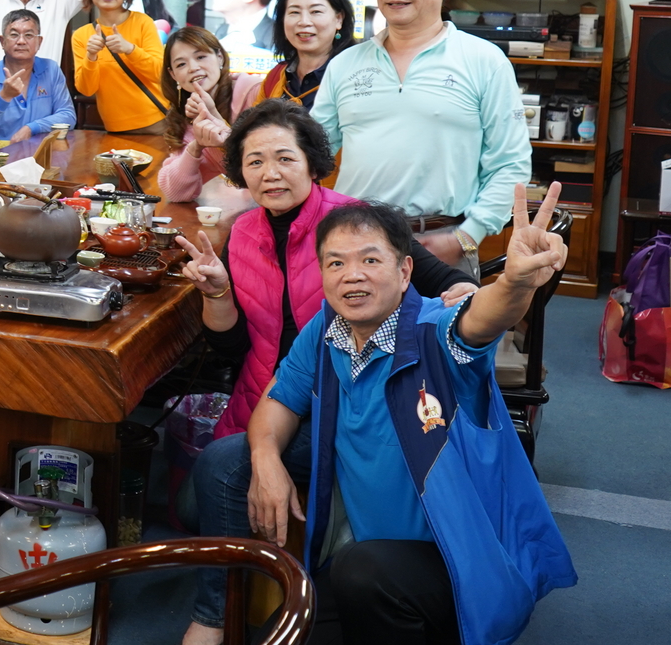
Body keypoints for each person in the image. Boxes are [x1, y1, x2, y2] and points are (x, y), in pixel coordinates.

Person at [173, 100, 478, 645]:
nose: (270, 173)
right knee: (196, 503)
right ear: (239, 172)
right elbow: (234, 348)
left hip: (353, 407)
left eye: (284, 158)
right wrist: (217, 294)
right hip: (274, 399)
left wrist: (469, 294)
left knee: (219, 474)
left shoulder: (352, 224)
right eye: (255, 161)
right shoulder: (243, 232)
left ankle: (217, 616)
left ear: (313, 163)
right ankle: (252, 600)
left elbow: (443, 280)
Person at [243, 195, 574, 645]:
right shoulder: (325, 331)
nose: (352, 275)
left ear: (404, 272)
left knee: (363, 572)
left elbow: (480, 320)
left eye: (370, 259)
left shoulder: (433, 331)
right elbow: (278, 401)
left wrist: (515, 285)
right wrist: (265, 456)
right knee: (280, 636)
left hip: (458, 567)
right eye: (336, 263)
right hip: (367, 566)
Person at [312, 0, 530, 275]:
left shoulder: (485, 61)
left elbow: (510, 164)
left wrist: (468, 235)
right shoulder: (344, 64)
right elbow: (311, 154)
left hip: (443, 243)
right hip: (354, 241)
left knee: (447, 315)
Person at [157, 26, 259, 203]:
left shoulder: (254, 92)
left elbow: (264, 164)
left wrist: (217, 123)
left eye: (201, 57)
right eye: (181, 64)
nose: (193, 68)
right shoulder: (187, 117)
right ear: (173, 75)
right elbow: (175, 193)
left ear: (220, 57)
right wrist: (196, 146)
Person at [69, 0, 168, 135]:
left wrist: (130, 49)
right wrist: (91, 57)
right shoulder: (82, 35)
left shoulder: (142, 22)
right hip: (114, 127)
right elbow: (86, 89)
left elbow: (159, 73)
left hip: (157, 121)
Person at [0, 9, 74, 146]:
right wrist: (3, 97)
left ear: (39, 42)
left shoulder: (51, 70)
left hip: (40, 154)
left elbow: (68, 115)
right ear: (2, 41)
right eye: (14, 35)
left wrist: (32, 128)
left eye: (29, 35)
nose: (21, 41)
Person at [255, 0, 356, 108]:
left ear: (339, 19)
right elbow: (256, 121)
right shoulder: (276, 76)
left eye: (316, 12)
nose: (304, 22)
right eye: (294, 12)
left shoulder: (356, 77)